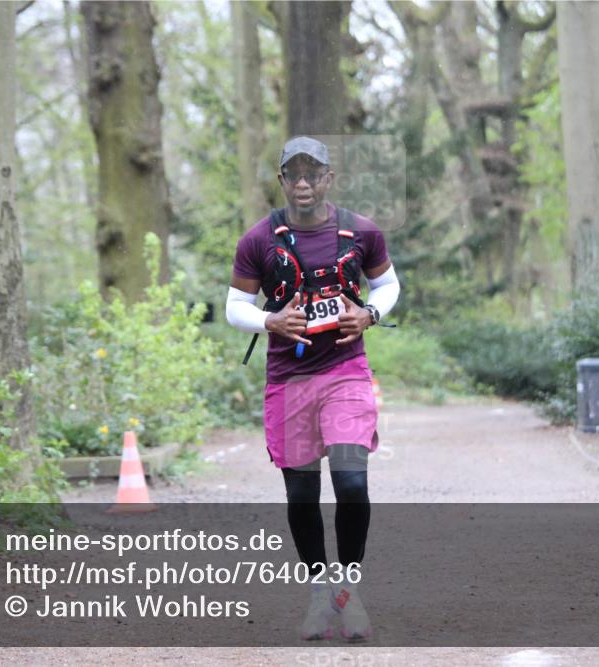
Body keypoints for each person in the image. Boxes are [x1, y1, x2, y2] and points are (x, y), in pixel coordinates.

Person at [225, 136, 400, 641]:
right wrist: (270, 321)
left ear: (329, 179)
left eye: (313, 173)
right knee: (302, 494)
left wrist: (370, 314)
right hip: (289, 380)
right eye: (294, 174)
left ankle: (348, 592)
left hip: (346, 371)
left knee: (351, 483)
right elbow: (235, 305)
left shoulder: (361, 231)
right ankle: (320, 593)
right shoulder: (258, 240)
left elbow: (387, 284)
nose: (303, 183)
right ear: (282, 180)